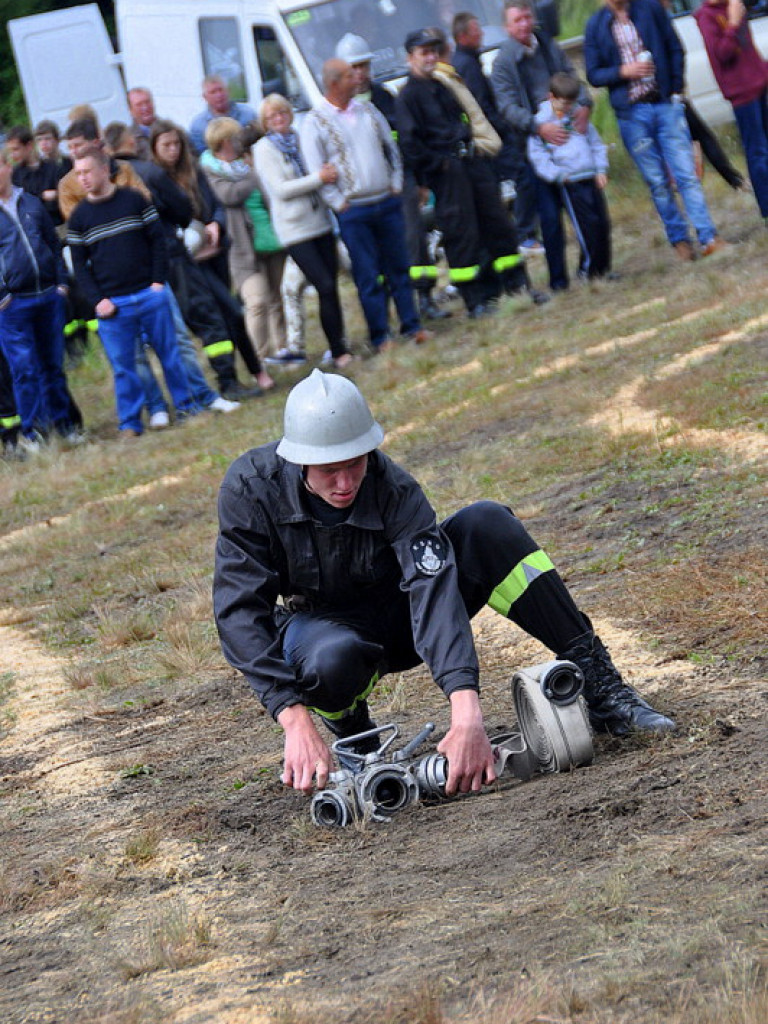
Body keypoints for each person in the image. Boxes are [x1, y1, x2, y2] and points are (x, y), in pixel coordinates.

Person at [214, 370, 676, 797]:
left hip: (405, 620)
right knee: (331, 659)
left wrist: (466, 709)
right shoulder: (251, 489)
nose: (345, 482)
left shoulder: (393, 488)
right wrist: (293, 718)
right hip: (322, 633)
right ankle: (352, 728)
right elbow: (239, 612)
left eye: (355, 463)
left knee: (488, 525)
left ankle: (603, 687)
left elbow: (432, 591)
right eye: (329, 470)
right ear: (299, 463)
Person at [397, 28, 541, 319]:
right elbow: (411, 145)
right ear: (410, 57)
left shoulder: (444, 83)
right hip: (447, 173)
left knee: (499, 224)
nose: (431, 57)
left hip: (473, 163)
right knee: (462, 235)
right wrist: (440, 166)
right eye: (424, 52)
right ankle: (476, 300)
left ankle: (517, 285)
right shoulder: (408, 96)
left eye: (434, 51)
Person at [301, 58, 431, 353]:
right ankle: (380, 334)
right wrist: (338, 202)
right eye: (349, 76)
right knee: (368, 274)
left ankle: (411, 324)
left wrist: (396, 181)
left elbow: (390, 147)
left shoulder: (369, 110)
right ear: (334, 83)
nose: (357, 79)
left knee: (399, 266)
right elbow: (315, 169)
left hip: (385, 200)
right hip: (355, 209)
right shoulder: (315, 122)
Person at [67, 147, 195, 437]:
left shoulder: (134, 200)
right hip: (113, 305)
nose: (83, 179)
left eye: (87, 172)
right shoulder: (79, 218)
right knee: (124, 367)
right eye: (78, 174)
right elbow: (79, 266)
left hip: (149, 294)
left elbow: (157, 242)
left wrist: (158, 283)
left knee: (170, 354)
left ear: (104, 169)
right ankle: (131, 422)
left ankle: (186, 405)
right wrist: (98, 300)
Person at [584, 0, 726, 260]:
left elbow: (674, 48)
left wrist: (674, 90)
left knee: (686, 175)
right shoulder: (595, 26)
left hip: (663, 104)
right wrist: (623, 71)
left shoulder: (650, 8)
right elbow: (593, 74)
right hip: (631, 114)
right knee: (658, 183)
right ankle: (680, 241)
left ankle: (708, 237)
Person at [145, 119, 272, 398]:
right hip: (189, 262)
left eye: (176, 143)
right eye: (166, 145)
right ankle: (228, 380)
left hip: (215, 252)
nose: (173, 150)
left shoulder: (194, 169)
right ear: (154, 148)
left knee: (232, 316)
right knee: (226, 314)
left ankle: (253, 371)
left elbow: (214, 204)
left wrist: (215, 222)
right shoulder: (154, 179)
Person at [336, 32, 451, 322]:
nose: (360, 73)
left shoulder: (385, 97)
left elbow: (404, 142)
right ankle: (389, 314)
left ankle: (424, 298)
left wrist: (418, 180)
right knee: (377, 253)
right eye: (354, 67)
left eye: (364, 65)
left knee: (414, 239)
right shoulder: (338, 108)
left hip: (400, 182)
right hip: (365, 191)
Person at [254, 93, 353, 369]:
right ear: (266, 122)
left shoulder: (300, 139)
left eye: (282, 113)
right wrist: (318, 179)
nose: (279, 119)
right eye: (272, 116)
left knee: (330, 286)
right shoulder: (264, 149)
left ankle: (338, 348)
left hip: (319, 220)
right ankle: (332, 347)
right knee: (321, 282)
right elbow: (281, 190)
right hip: (294, 229)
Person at [491, 0, 594, 255]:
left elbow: (572, 76)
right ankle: (558, 277)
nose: (525, 24)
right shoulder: (503, 62)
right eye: (518, 20)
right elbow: (507, 107)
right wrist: (538, 127)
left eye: (527, 17)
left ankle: (592, 261)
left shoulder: (547, 44)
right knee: (549, 215)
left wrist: (584, 105)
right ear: (506, 27)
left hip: (569, 133)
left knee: (585, 204)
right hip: (534, 143)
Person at [0, 148, 81, 451]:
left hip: (48, 296)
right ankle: (34, 433)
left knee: (52, 366)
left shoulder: (30, 202)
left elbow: (53, 243)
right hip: (12, 306)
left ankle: (64, 426)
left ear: (7, 167)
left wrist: (60, 284)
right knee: (24, 370)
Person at [202, 117, 288, 367]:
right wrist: (253, 175)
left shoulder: (245, 165)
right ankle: (259, 357)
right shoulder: (210, 170)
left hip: (269, 239)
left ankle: (282, 350)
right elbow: (228, 195)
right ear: (226, 141)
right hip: (240, 250)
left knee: (276, 298)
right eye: (236, 139)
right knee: (257, 301)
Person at [528, 72, 613, 290]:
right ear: (551, 97)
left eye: (572, 103)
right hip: (570, 182)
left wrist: (600, 169)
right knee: (587, 227)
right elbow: (538, 156)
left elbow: (595, 143)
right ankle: (589, 270)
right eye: (564, 103)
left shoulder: (576, 117)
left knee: (602, 224)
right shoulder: (542, 123)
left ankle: (603, 269)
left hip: (591, 177)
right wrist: (558, 175)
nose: (568, 107)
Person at [694, 0, 768, 219]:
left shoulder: (733, 4)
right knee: (758, 151)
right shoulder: (707, 16)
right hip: (741, 92)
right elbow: (722, 54)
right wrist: (733, 22)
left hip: (758, 84)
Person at [6, 124, 71, 228]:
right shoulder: (14, 176)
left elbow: (60, 199)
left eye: (16, 149)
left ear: (29, 146)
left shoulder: (52, 167)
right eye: (10, 151)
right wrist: (42, 196)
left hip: (60, 225)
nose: (12, 155)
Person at [188, 75, 257, 156]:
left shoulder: (248, 114)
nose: (219, 95)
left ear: (228, 91)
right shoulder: (198, 125)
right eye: (213, 92)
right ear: (205, 97)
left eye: (221, 90)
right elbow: (200, 156)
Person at [127, 86, 158, 160]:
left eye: (147, 102)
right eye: (139, 105)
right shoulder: (128, 138)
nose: (145, 108)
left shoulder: (170, 129)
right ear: (130, 110)